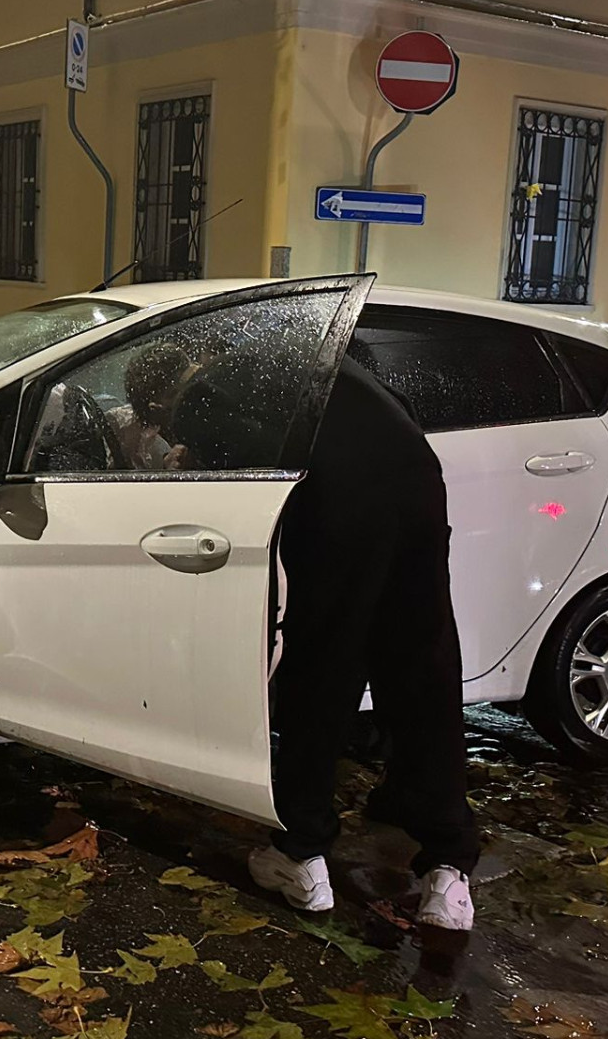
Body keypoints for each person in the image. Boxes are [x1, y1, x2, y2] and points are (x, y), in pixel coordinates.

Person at [166, 352, 481, 929]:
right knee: (421, 670)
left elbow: (213, 485)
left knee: (323, 674)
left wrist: (186, 454)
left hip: (339, 508)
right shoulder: (324, 359)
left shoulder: (205, 396)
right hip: (420, 493)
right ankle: (448, 872)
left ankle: (301, 854)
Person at [104, 343, 194, 469]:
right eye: (177, 394)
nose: (196, 393)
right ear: (156, 409)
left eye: (194, 377)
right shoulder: (137, 437)